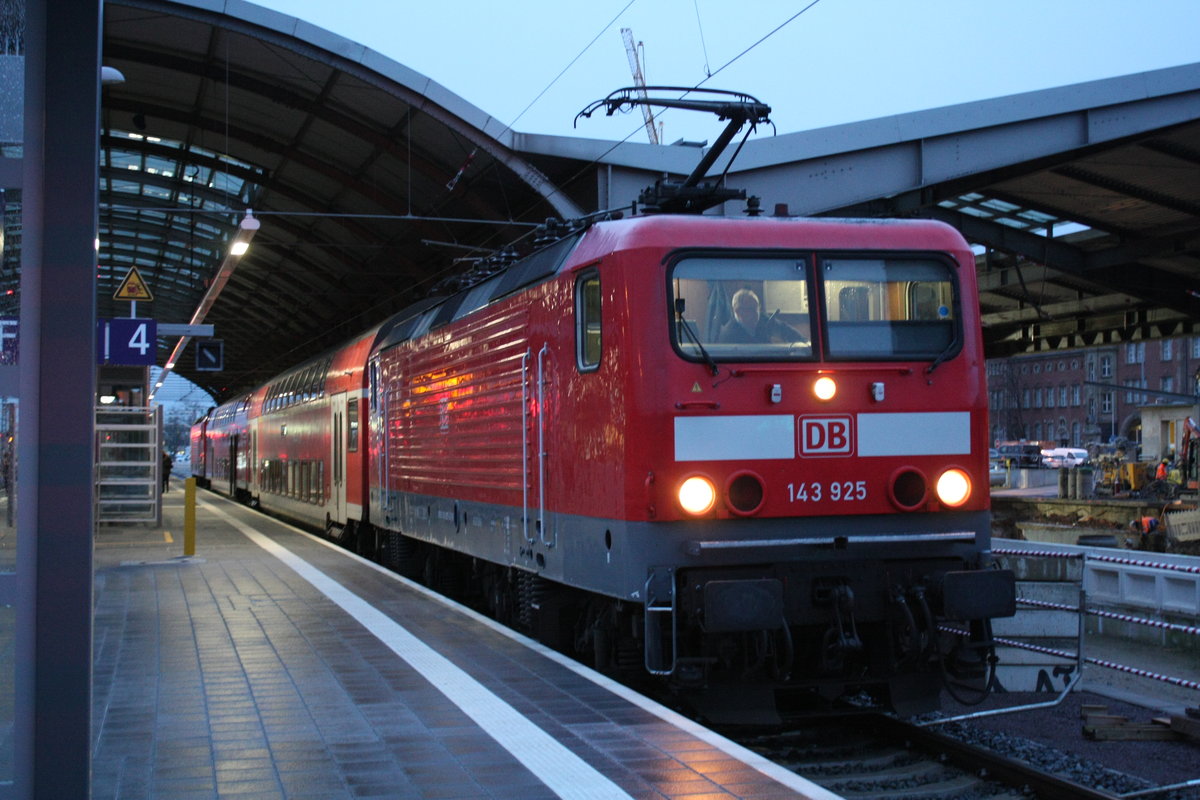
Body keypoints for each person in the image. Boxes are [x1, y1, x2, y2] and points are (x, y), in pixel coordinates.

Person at [717, 289, 807, 344]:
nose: (756, 313)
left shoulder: (763, 319)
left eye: (757, 308)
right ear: (738, 311)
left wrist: (804, 343)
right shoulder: (728, 335)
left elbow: (786, 330)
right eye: (751, 309)